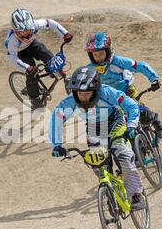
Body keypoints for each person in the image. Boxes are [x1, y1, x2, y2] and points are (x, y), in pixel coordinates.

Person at [49, 66, 146, 210]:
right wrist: (56, 145)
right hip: (95, 128)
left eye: (87, 93)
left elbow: (131, 106)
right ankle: (110, 193)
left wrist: (132, 125)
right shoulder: (71, 101)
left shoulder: (107, 93)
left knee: (123, 154)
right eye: (79, 93)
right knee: (99, 165)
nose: (82, 97)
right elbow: (56, 119)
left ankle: (137, 194)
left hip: (115, 121)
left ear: (95, 90)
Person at [85, 32, 162, 139]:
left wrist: (154, 78)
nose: (98, 58)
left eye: (100, 53)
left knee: (139, 111)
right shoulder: (89, 69)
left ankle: (156, 121)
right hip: (109, 97)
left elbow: (140, 66)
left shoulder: (118, 61)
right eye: (94, 55)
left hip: (127, 90)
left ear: (109, 51)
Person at [5, 8, 73, 110]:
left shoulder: (35, 24)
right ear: (15, 30)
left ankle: (51, 71)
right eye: (22, 32)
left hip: (32, 44)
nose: (26, 33)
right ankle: (35, 101)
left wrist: (65, 33)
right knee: (32, 73)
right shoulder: (12, 40)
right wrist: (27, 67)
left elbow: (50, 23)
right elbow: (12, 57)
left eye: (28, 30)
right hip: (20, 53)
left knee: (48, 56)